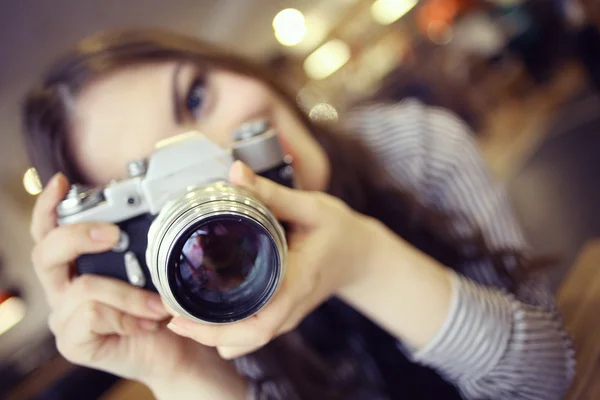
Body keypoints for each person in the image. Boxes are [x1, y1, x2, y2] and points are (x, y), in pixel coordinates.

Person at [23, 30, 575, 399]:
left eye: (195, 99)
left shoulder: (413, 146)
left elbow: (548, 380)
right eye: (156, 177)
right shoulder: (193, 297)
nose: (219, 159)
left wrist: (363, 260)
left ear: (226, 62)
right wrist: (181, 372)